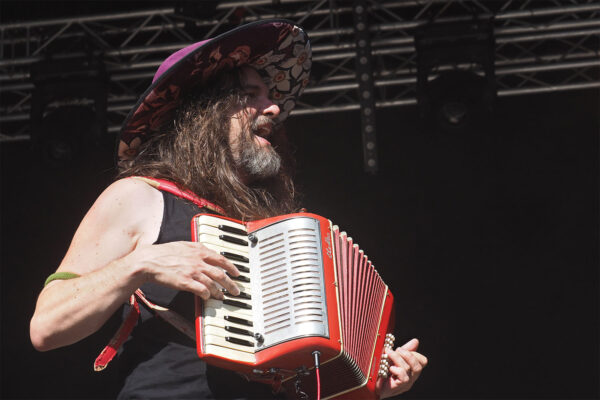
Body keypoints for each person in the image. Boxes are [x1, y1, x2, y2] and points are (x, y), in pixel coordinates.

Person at [30, 19, 427, 399]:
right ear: (201, 114)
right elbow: (47, 326)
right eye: (250, 95)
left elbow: (303, 376)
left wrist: (369, 384)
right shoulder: (138, 196)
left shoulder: (276, 231)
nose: (272, 108)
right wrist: (140, 264)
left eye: (270, 96)